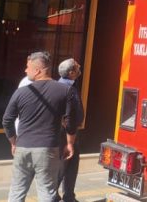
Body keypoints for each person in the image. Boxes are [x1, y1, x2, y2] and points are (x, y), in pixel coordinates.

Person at [2, 51, 80, 202]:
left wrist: (13, 142)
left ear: (38, 70)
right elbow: (71, 121)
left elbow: (7, 120)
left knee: (17, 191)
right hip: (48, 149)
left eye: (28, 67)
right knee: (47, 192)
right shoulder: (65, 90)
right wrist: (70, 143)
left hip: (22, 147)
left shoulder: (21, 92)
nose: (25, 70)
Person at [55, 59, 84, 202]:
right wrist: (70, 141)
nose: (79, 67)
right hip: (66, 134)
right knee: (64, 165)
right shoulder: (68, 89)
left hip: (65, 132)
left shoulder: (61, 85)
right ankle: (53, 196)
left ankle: (68, 196)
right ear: (71, 72)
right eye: (77, 66)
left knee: (70, 166)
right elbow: (69, 117)